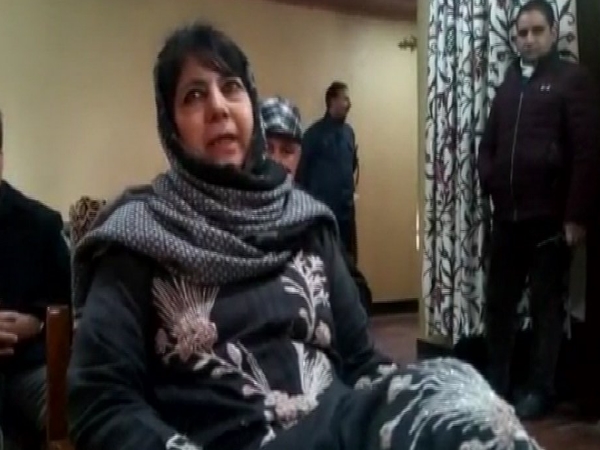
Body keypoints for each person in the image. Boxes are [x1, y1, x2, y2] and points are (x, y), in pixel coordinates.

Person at [68, 22, 542, 450]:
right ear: (171, 126)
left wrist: (403, 409)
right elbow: (102, 401)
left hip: (336, 431)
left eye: (231, 87)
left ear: (251, 106)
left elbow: (362, 361)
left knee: (453, 391)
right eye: (193, 95)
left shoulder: (304, 221)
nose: (217, 107)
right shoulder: (139, 235)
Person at [478, 0, 600, 420]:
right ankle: (496, 384)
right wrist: (490, 180)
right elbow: (488, 144)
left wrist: (576, 215)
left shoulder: (572, 80)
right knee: (499, 305)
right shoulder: (509, 83)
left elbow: (587, 152)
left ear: (553, 32)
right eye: (522, 33)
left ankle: (540, 390)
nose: (528, 40)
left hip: (549, 220)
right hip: (507, 218)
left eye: (536, 31)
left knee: (546, 309)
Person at [260, 96, 373, 314]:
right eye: (267, 149)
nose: (276, 161)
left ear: (298, 156)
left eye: (287, 151)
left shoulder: (314, 221)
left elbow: (358, 298)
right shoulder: (229, 212)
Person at [0, 110, 72, 447]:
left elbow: (72, 307)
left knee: (84, 407)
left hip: (29, 369)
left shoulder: (40, 224)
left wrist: (40, 323)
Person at [297, 82, 358, 263]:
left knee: (348, 263)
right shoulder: (313, 135)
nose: (348, 103)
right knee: (323, 264)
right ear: (332, 101)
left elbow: (351, 167)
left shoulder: (349, 133)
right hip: (322, 217)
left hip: (346, 216)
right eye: (344, 98)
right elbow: (301, 175)